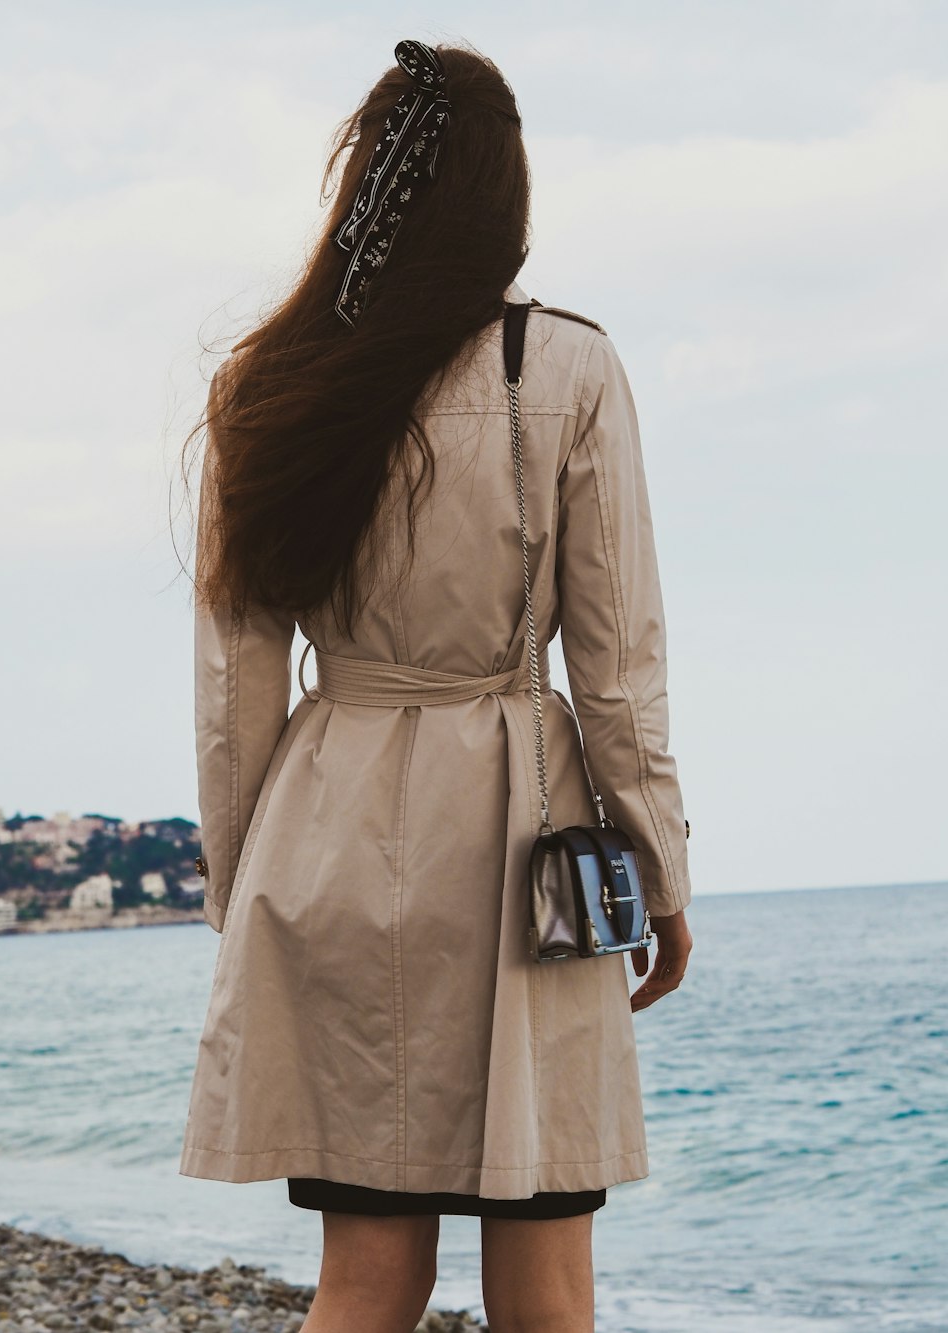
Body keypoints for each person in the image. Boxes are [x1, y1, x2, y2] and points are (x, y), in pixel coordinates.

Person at [178, 38, 694, 1333]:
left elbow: (234, 689)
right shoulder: (568, 369)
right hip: (535, 849)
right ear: (502, 201)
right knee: (548, 1279)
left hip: (328, 842)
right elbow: (618, 667)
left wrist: (245, 890)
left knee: (363, 1278)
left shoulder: (270, 388)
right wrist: (661, 873)